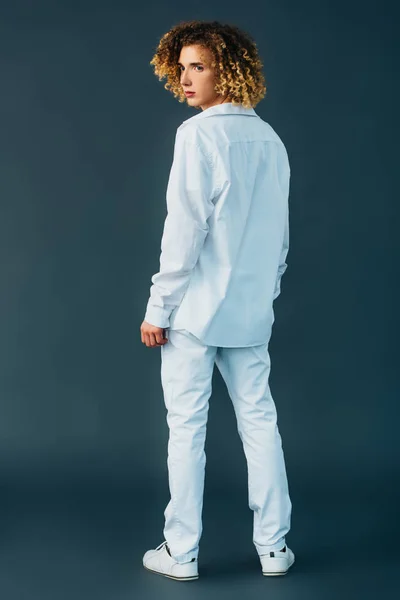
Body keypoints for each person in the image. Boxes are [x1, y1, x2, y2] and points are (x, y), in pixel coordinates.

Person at [140, 19, 294, 581]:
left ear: (227, 69)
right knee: (260, 420)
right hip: (249, 312)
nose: (185, 78)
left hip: (193, 314)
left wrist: (159, 308)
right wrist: (264, 296)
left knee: (187, 428)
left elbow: (184, 232)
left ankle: (181, 553)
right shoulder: (271, 141)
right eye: (180, 67)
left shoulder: (198, 135)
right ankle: (274, 547)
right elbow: (279, 239)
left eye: (197, 66)